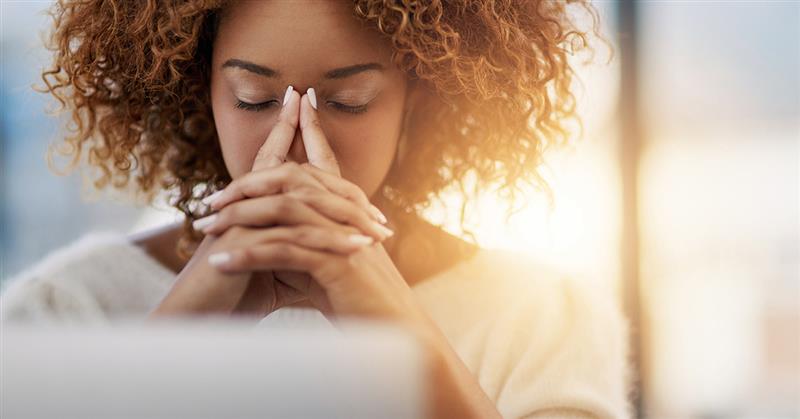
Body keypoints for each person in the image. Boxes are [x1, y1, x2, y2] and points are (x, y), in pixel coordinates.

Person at [1, 1, 631, 418]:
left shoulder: (540, 320)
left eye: (350, 101)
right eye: (253, 99)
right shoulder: (64, 311)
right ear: (201, 93)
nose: (299, 141)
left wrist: (392, 318)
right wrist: (186, 323)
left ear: (419, 101)